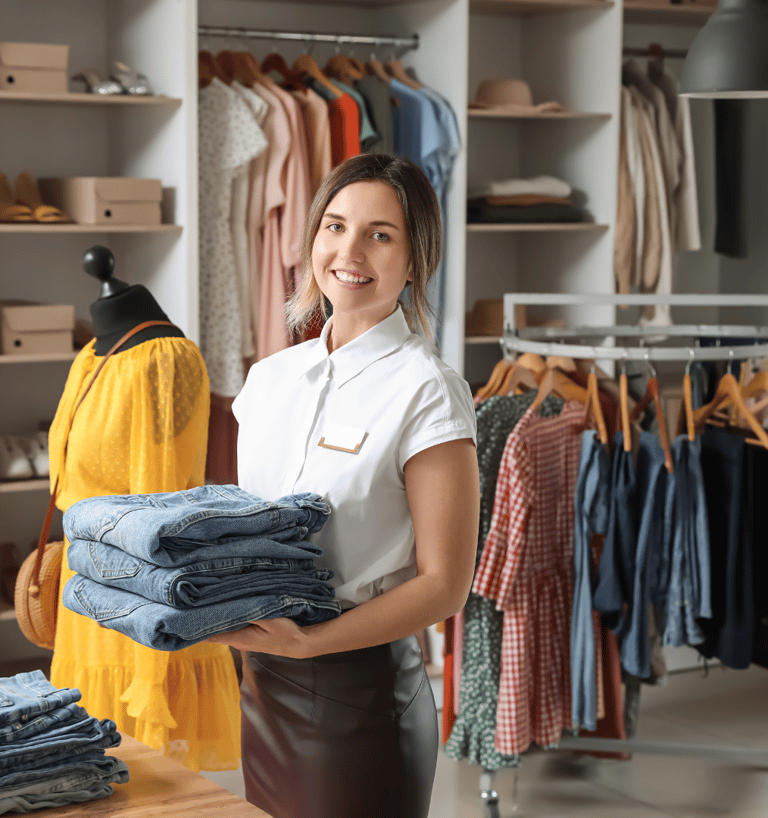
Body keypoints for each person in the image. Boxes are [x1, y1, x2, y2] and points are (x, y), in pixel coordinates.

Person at [208, 153, 480, 818]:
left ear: (415, 260)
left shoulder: (428, 392)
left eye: (380, 234)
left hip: (360, 693)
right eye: (335, 226)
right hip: (264, 682)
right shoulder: (269, 380)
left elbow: (445, 584)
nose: (349, 251)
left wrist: (311, 643)